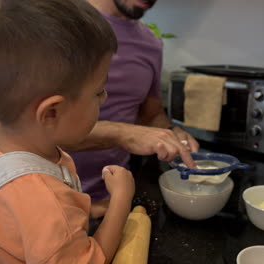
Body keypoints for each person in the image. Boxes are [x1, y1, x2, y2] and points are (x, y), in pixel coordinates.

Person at [0, 0, 132, 263]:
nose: (105, 98)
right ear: (51, 112)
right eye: (98, 92)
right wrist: (121, 198)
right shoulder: (45, 200)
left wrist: (82, 210)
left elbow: (22, 222)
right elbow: (92, 258)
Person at [70, 0, 200, 202]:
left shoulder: (151, 43)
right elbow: (30, 130)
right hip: (46, 203)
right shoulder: (57, 22)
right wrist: (122, 134)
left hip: (113, 199)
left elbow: (151, 114)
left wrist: (171, 132)